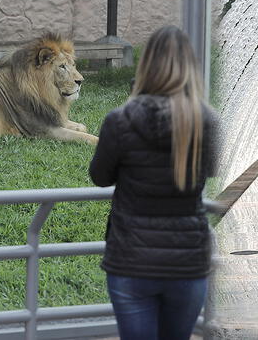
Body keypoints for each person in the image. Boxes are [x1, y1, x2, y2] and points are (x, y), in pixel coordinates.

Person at [89, 25, 218, 340]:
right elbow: (212, 170)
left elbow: (100, 177)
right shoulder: (207, 121)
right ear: (191, 67)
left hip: (131, 262)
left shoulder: (119, 120)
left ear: (144, 66)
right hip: (188, 263)